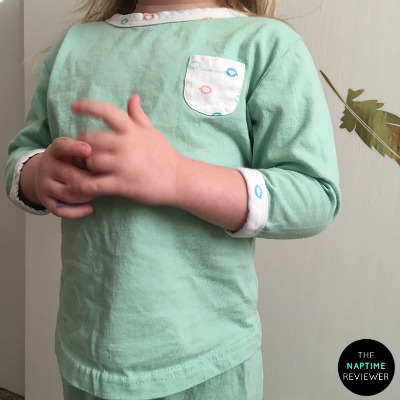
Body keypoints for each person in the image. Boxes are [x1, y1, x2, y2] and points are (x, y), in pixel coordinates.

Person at [4, 0, 342, 398]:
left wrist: (178, 176)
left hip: (208, 360)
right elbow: (22, 155)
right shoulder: (73, 46)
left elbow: (314, 194)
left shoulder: (265, 44)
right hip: (87, 354)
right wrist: (39, 174)